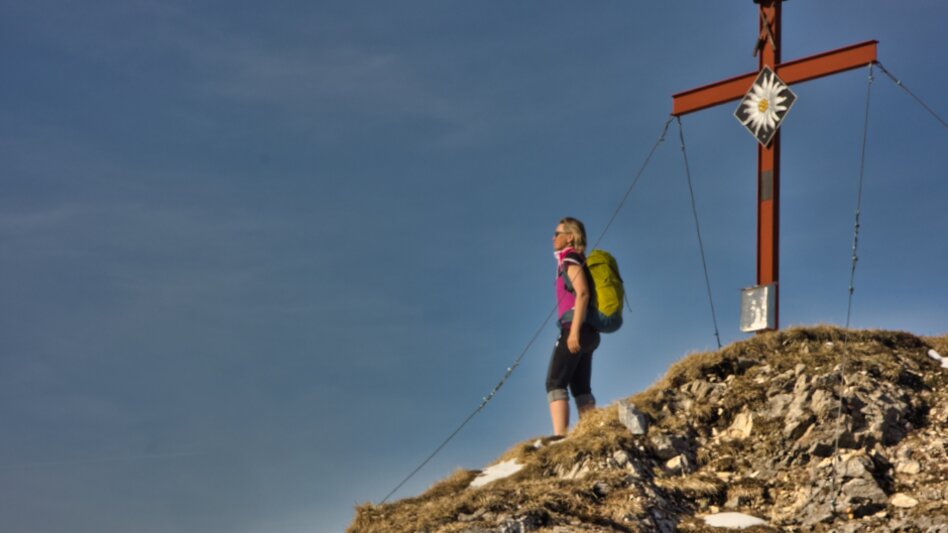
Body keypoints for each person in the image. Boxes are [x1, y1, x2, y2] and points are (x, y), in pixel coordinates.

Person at [546, 217, 600, 436]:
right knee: (580, 388)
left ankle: (560, 437)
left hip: (575, 328)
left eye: (557, 233)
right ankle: (592, 432)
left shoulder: (570, 258)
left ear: (570, 236)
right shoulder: (576, 259)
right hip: (589, 332)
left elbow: (583, 293)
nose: (553, 237)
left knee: (555, 382)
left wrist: (573, 332)